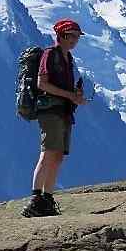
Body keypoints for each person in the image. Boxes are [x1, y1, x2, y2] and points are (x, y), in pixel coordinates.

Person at [22, 19, 87, 218]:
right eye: (73, 35)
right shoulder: (50, 54)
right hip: (50, 111)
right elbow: (42, 84)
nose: (76, 40)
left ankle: (47, 198)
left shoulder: (68, 58)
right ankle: (35, 199)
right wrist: (69, 96)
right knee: (48, 152)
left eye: (77, 36)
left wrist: (74, 95)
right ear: (63, 35)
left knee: (58, 156)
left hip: (64, 111)